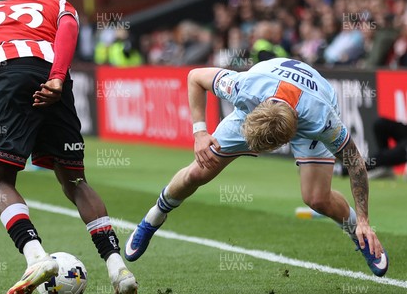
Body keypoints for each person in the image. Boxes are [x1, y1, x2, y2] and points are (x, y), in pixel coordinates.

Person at [0, 0, 138, 294]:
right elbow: (69, 27)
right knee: (75, 182)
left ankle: (36, 256)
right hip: (53, 76)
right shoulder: (57, 4)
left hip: (7, 76)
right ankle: (118, 269)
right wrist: (57, 78)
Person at [124, 57, 389, 277]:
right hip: (261, 102)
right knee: (198, 171)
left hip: (310, 105)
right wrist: (200, 133)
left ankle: (360, 234)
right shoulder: (243, 87)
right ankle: (153, 218)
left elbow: (355, 162)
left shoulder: (322, 120)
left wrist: (365, 220)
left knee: (317, 198)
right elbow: (195, 77)